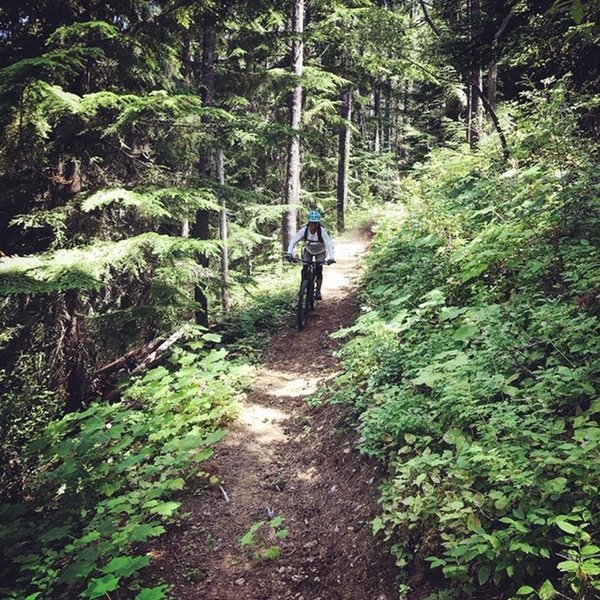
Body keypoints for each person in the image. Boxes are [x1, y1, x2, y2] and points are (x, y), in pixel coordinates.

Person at [285, 210, 336, 300]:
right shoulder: (304, 230)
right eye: (312, 223)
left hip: (320, 251)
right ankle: (302, 288)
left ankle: (318, 291)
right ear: (309, 223)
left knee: (319, 270)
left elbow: (329, 244)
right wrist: (289, 253)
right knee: (305, 269)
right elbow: (294, 241)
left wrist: (331, 257)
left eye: (315, 223)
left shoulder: (322, 232)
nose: (313, 226)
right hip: (308, 250)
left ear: (318, 223)